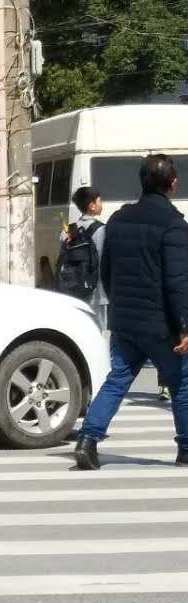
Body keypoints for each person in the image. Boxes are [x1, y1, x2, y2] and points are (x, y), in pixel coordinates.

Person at [75, 153, 188, 471]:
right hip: (161, 325)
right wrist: (184, 325)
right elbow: (178, 282)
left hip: (125, 320)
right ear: (172, 184)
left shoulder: (118, 220)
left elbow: (106, 270)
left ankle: (87, 439)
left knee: (117, 380)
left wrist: (120, 304)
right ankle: (186, 448)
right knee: (181, 382)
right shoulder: (174, 225)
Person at [56, 185, 106, 328]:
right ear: (92, 205)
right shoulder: (101, 230)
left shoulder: (68, 231)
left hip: (72, 288)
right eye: (99, 201)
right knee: (97, 329)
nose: (101, 204)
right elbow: (104, 261)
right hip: (96, 292)